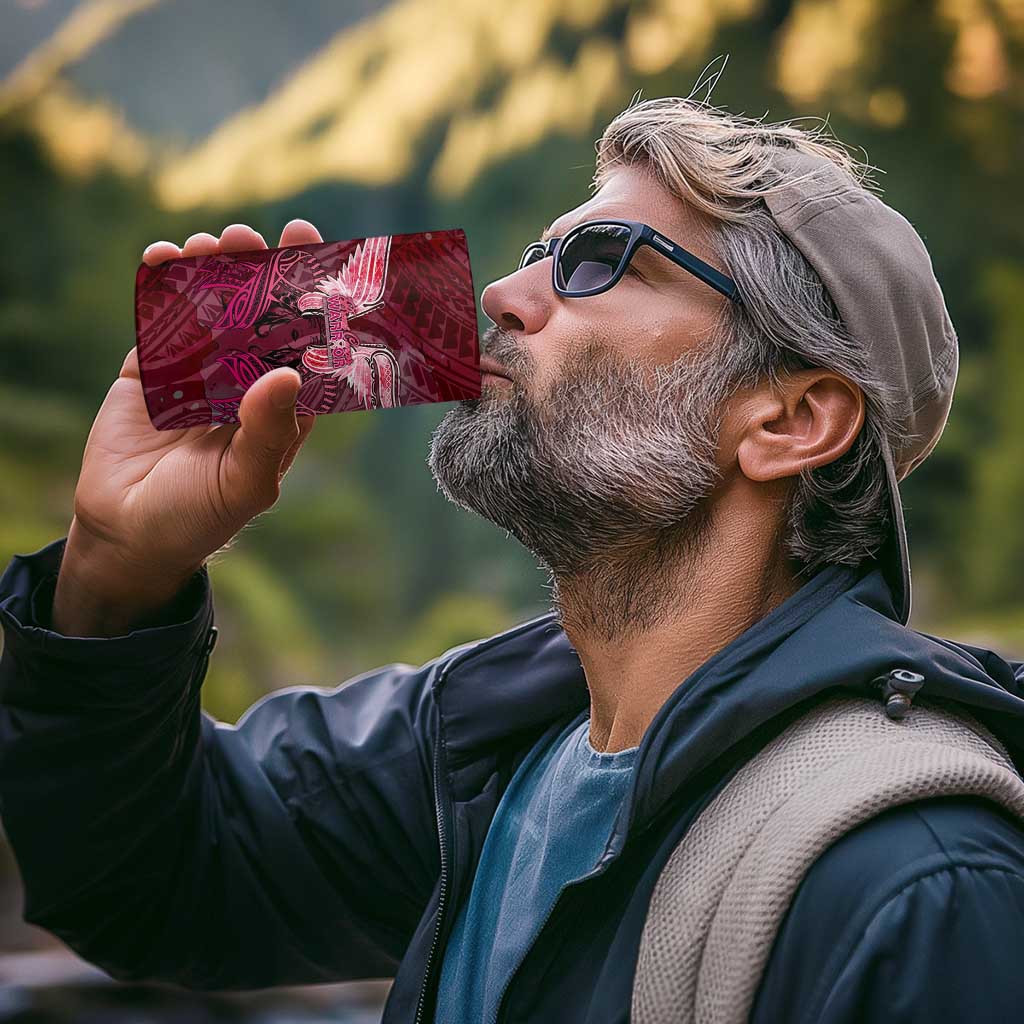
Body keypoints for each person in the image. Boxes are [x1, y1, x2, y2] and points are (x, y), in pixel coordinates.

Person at [2, 94, 1024, 1024]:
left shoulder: (918, 884)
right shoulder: (480, 748)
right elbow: (149, 880)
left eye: (599, 261)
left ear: (790, 419)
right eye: (540, 252)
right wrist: (114, 573)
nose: (501, 292)